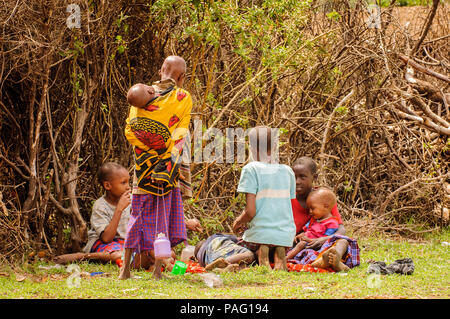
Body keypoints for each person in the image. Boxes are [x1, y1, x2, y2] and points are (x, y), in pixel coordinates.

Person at [119, 55, 193, 280]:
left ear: (161, 69)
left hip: (142, 168)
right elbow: (180, 135)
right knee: (162, 215)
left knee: (136, 216)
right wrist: (166, 155)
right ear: (182, 76)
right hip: (166, 167)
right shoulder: (183, 97)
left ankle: (125, 271)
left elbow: (130, 130)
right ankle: (158, 272)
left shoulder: (141, 94)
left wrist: (148, 147)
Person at [53, 161, 201, 266]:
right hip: (103, 244)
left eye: (129, 182)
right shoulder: (100, 205)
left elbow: (149, 220)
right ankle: (86, 256)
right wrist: (119, 209)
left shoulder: (131, 201)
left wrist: (185, 224)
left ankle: (143, 262)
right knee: (120, 255)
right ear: (107, 186)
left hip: (123, 243)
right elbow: (106, 238)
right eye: (123, 183)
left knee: (165, 253)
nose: (128, 187)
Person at [232, 126, 296, 271]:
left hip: (259, 236)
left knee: (238, 243)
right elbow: (288, 206)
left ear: (252, 148)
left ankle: (262, 251)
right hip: (286, 237)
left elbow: (250, 212)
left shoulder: (251, 169)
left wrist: (239, 221)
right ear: (274, 146)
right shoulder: (288, 171)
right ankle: (279, 253)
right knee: (276, 240)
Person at [291, 156, 345, 250]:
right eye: (294, 177)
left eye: (302, 177)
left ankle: (333, 258)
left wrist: (324, 239)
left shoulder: (324, 198)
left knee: (343, 242)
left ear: (314, 177)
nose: (297, 182)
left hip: (323, 242)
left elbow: (341, 229)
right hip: (299, 244)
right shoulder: (288, 199)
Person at [286, 187, 339, 260]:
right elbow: (307, 231)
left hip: (316, 245)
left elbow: (325, 241)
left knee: (301, 244)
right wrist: (301, 235)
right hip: (306, 242)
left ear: (326, 206)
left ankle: (286, 259)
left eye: (313, 208)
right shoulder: (314, 219)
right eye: (309, 209)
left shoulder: (332, 223)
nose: (310, 212)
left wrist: (308, 240)